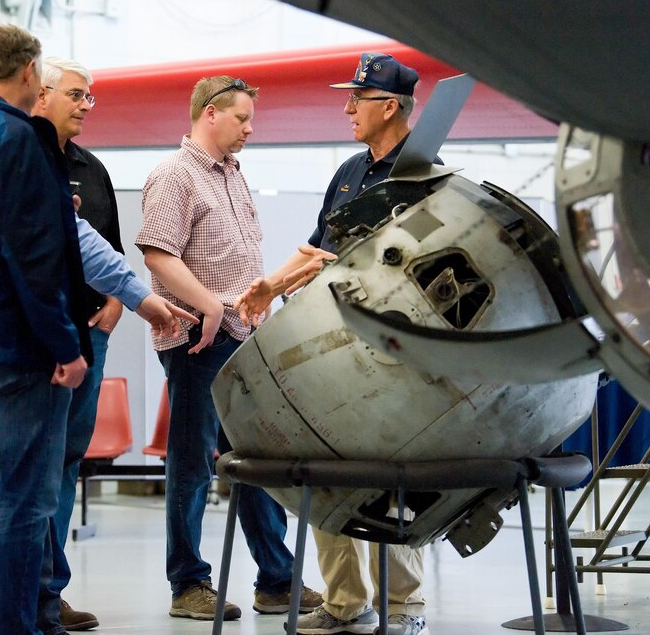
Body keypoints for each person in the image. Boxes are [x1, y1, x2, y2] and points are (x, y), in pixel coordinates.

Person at [0, 24, 194, 635]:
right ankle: (14, 626)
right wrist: (65, 346)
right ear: (28, 74)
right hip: (22, 352)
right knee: (26, 499)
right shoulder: (20, 138)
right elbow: (36, 258)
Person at [235, 52, 430, 635]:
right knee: (324, 463)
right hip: (333, 348)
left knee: (392, 473)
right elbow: (318, 244)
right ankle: (346, 601)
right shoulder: (349, 171)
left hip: (392, 351)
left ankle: (402, 606)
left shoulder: (424, 175)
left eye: (358, 99)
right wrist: (271, 284)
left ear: (389, 107)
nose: (346, 108)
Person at [135, 75, 323, 622]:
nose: (249, 128)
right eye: (242, 118)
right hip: (198, 338)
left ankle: (276, 579)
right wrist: (209, 306)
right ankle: (188, 584)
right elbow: (157, 253)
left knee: (259, 460)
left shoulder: (234, 176)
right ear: (211, 113)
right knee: (192, 463)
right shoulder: (174, 175)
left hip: (241, 338)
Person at [31, 56, 120, 632]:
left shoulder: (92, 169)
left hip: (89, 335)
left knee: (65, 463)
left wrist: (114, 307)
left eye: (90, 96)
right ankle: (25, 586)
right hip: (39, 341)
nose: (87, 105)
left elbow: (107, 250)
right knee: (32, 465)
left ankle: (51, 587)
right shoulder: (23, 158)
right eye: (77, 94)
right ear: (41, 94)